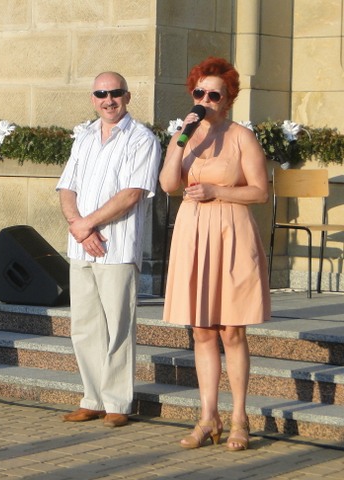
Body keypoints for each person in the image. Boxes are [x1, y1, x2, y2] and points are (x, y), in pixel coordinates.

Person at [159, 57, 271, 450]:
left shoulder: (242, 137)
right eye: (199, 93)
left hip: (231, 230)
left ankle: (240, 418)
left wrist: (216, 190)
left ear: (228, 100)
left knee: (232, 330)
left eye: (214, 95)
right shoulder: (184, 135)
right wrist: (180, 141)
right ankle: (208, 417)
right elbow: (169, 184)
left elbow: (260, 192)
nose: (205, 100)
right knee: (202, 330)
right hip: (193, 232)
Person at [57, 72, 161, 428]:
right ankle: (93, 399)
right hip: (81, 246)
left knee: (118, 327)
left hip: (116, 247)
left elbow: (132, 194)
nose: (108, 99)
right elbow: (67, 187)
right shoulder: (84, 137)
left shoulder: (142, 139)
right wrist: (78, 225)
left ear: (127, 96)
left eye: (115, 93)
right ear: (93, 99)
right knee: (84, 326)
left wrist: (87, 224)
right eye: (101, 93)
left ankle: (117, 402)